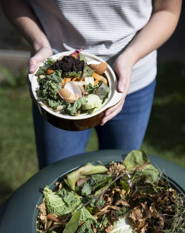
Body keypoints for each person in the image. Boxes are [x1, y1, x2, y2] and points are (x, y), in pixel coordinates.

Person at [1, 0, 182, 169]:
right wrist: (39, 43)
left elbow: (167, 10)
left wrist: (130, 57)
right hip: (56, 86)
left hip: (132, 80)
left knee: (119, 171)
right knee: (57, 178)